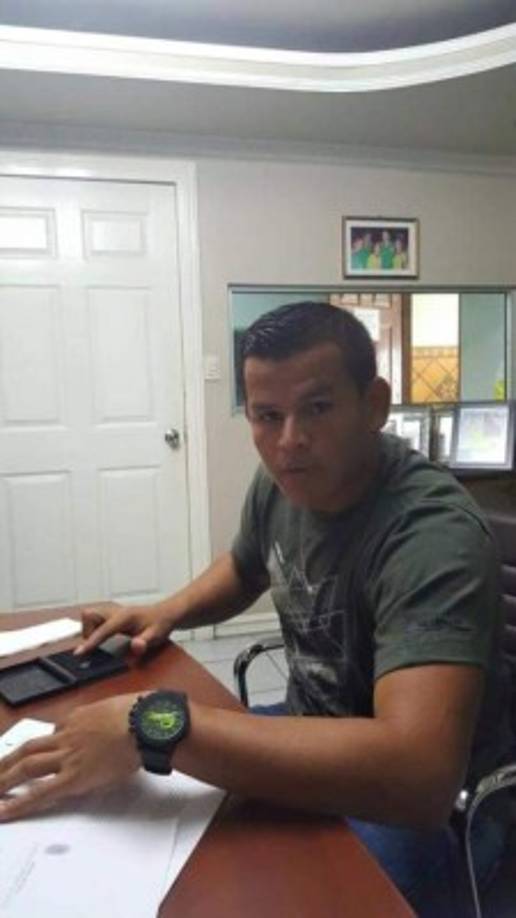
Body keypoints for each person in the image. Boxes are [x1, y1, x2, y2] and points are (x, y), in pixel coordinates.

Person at [0, 301, 513, 917]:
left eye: (317, 408)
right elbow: (248, 565)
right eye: (268, 416)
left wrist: (154, 724)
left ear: (374, 404)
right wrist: (166, 611)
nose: (289, 440)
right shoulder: (285, 480)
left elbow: (417, 776)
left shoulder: (429, 536)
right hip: (310, 728)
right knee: (129, 815)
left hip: (431, 810)